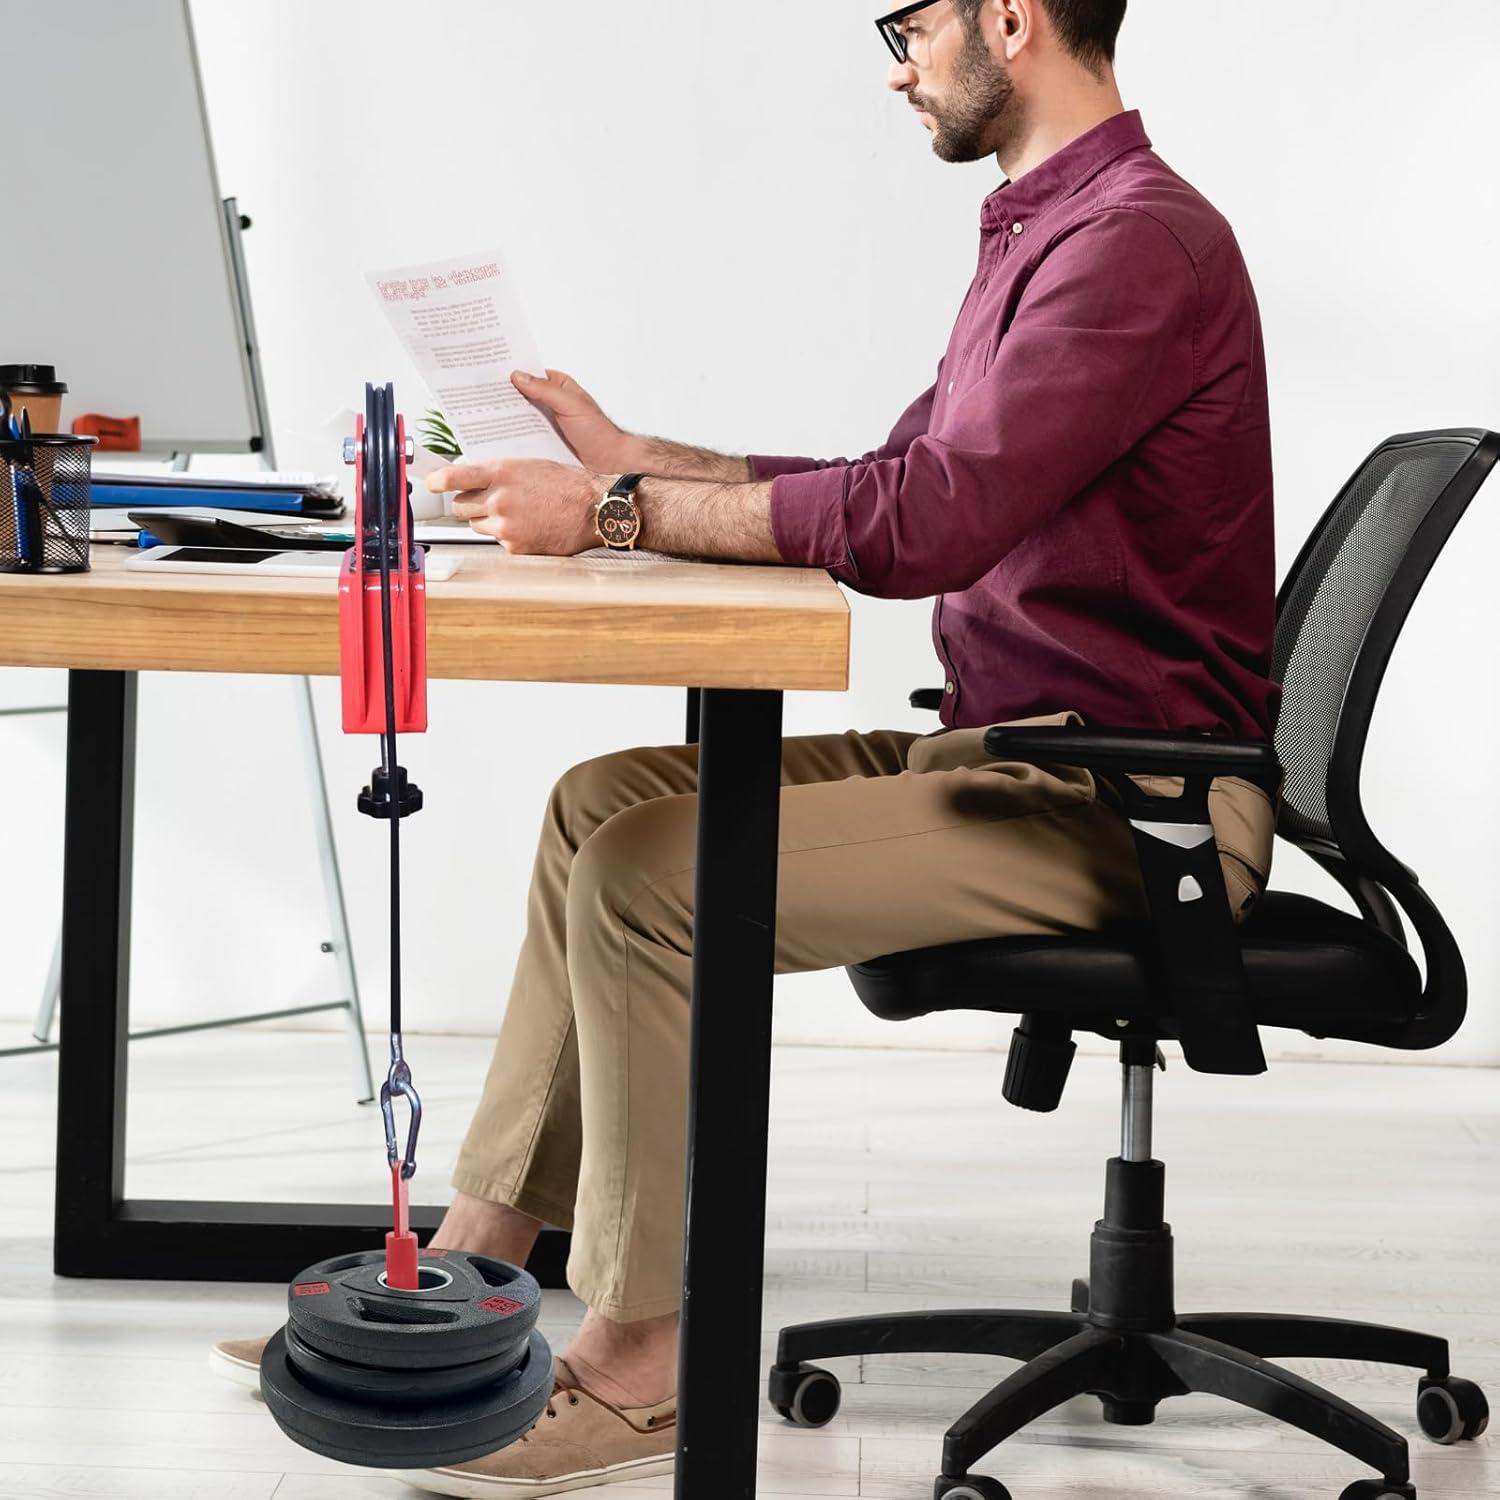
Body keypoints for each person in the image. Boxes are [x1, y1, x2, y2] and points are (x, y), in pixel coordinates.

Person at [214, 1, 1283, 1493]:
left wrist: (615, 519)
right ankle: (470, 1269)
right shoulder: (1052, 230)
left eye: (909, 27)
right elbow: (893, 480)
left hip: (1134, 802)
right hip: (1020, 755)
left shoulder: (1133, 249)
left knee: (661, 874)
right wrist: (638, 463)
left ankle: (646, 1363)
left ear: (1013, 18)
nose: (899, 65)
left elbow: (926, 529)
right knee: (608, 803)